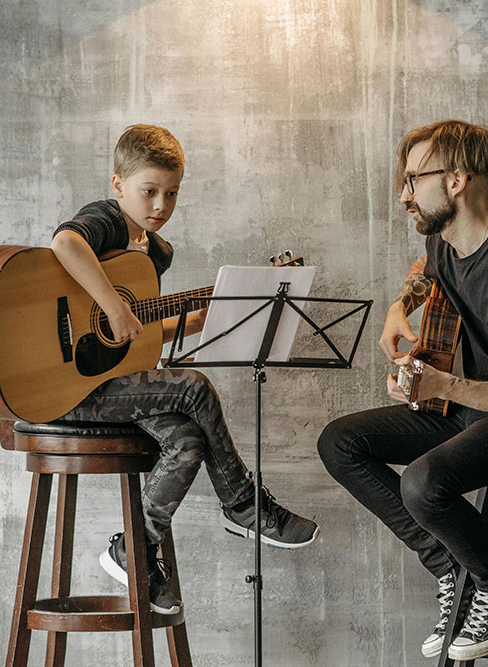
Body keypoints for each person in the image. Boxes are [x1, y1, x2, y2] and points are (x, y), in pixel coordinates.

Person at [317, 120, 488, 661]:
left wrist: (441, 382)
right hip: (477, 409)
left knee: (423, 483)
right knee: (340, 442)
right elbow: (428, 268)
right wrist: (401, 307)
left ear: (455, 181)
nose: (403, 195)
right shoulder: (444, 240)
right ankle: (454, 567)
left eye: (412, 180)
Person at [51, 124, 319, 615]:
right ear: (118, 186)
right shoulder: (105, 220)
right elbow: (65, 245)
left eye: (171, 193)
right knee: (194, 386)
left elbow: (145, 331)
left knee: (188, 441)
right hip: (69, 388)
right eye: (148, 191)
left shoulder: (158, 253)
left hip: (117, 386)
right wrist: (111, 305)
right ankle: (242, 504)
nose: (159, 205)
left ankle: (134, 548)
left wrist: (215, 314)